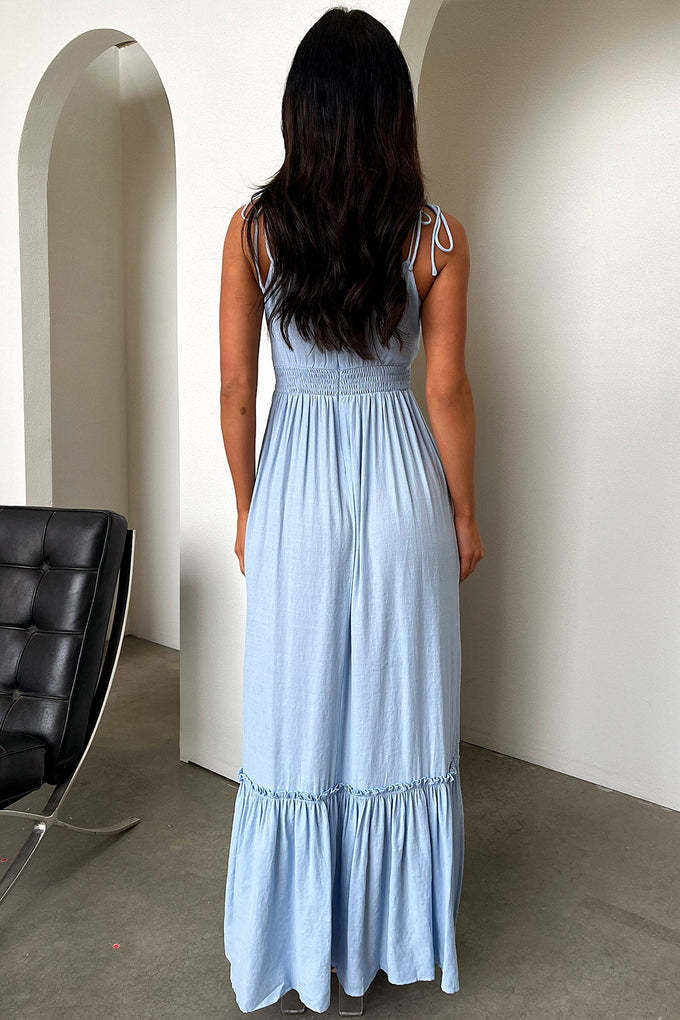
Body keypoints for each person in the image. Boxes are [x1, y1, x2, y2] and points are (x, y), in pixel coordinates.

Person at [219, 7, 484, 1014]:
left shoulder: (254, 231)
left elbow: (236, 391)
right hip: (402, 486)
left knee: (297, 713)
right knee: (393, 710)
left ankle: (300, 941)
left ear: (303, 110)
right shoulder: (435, 236)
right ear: (392, 115)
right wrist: (464, 515)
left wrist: (248, 508)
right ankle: (382, 938)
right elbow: (445, 390)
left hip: (294, 488)